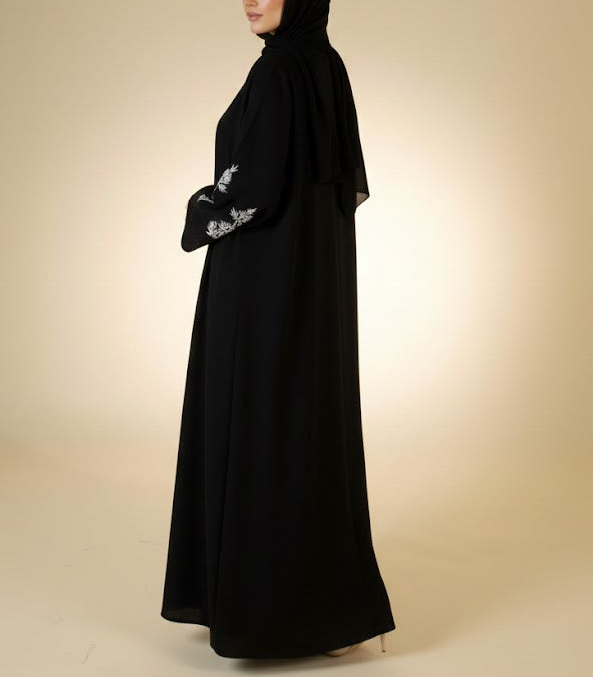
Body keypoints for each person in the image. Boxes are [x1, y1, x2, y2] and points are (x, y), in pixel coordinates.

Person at [161, 0, 396, 659]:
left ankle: (257, 612)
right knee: (303, 422)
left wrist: (198, 213)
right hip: (313, 284)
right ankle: (321, 611)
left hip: (259, 285)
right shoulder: (325, 66)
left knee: (256, 418)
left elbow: (252, 191)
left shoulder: (276, 73)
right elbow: (335, 187)